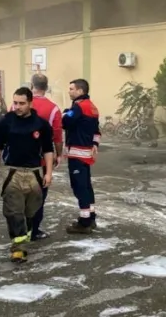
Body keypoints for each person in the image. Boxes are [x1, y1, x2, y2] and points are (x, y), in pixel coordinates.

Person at [0, 87, 53, 262]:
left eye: (21, 103)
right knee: (14, 212)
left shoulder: (41, 124)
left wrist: (49, 173)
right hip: (13, 172)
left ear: (31, 103)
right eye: (15, 102)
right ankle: (18, 248)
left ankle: (25, 237)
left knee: (30, 212)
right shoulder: (6, 122)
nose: (17, 106)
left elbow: (48, 150)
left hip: (34, 174)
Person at [28, 74, 63, 241]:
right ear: (46, 87)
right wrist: (59, 154)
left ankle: (20, 229)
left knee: (20, 194)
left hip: (19, 160)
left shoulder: (17, 104)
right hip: (41, 160)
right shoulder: (54, 108)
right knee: (39, 195)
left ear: (31, 85)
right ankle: (34, 230)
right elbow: (57, 135)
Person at [62, 79, 100, 234]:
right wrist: (95, 145)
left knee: (79, 187)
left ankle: (84, 223)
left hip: (77, 153)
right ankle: (91, 217)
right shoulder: (93, 107)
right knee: (86, 186)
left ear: (80, 91)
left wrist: (64, 112)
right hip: (86, 152)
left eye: (71, 89)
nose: (69, 91)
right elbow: (97, 131)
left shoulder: (79, 107)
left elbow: (65, 121)